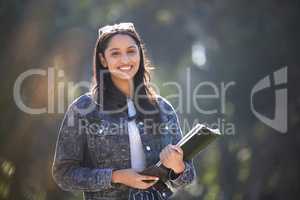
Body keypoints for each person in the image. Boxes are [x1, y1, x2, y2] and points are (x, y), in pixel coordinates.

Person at [52, 22, 196, 200]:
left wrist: (178, 166)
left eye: (131, 51)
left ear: (140, 55)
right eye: (115, 54)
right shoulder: (83, 109)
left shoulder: (163, 108)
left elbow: (188, 177)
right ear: (103, 60)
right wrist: (116, 176)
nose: (125, 60)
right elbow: (63, 174)